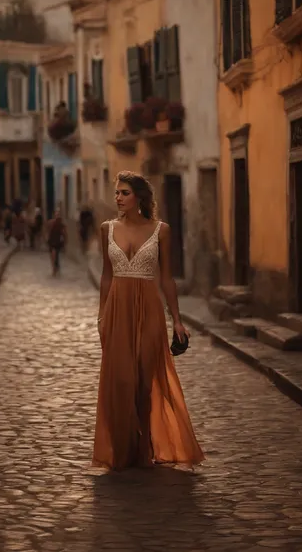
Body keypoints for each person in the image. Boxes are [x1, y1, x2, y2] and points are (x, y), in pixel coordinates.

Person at [93, 170, 204, 471]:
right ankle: (123, 446)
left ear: (139, 197)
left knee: (144, 379)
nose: (118, 197)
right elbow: (106, 275)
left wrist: (177, 321)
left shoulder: (161, 230)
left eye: (124, 193)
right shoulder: (107, 228)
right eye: (116, 192)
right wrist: (102, 314)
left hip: (150, 309)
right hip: (118, 309)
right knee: (121, 379)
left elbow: (167, 279)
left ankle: (143, 448)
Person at [46, 208, 67, 275]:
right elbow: (47, 231)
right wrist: (46, 238)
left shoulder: (61, 224)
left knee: (56, 254)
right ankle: (54, 268)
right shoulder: (50, 222)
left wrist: (65, 241)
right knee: (52, 255)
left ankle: (56, 267)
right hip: (51, 241)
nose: (57, 216)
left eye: (58, 214)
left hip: (57, 241)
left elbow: (64, 233)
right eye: (56, 214)